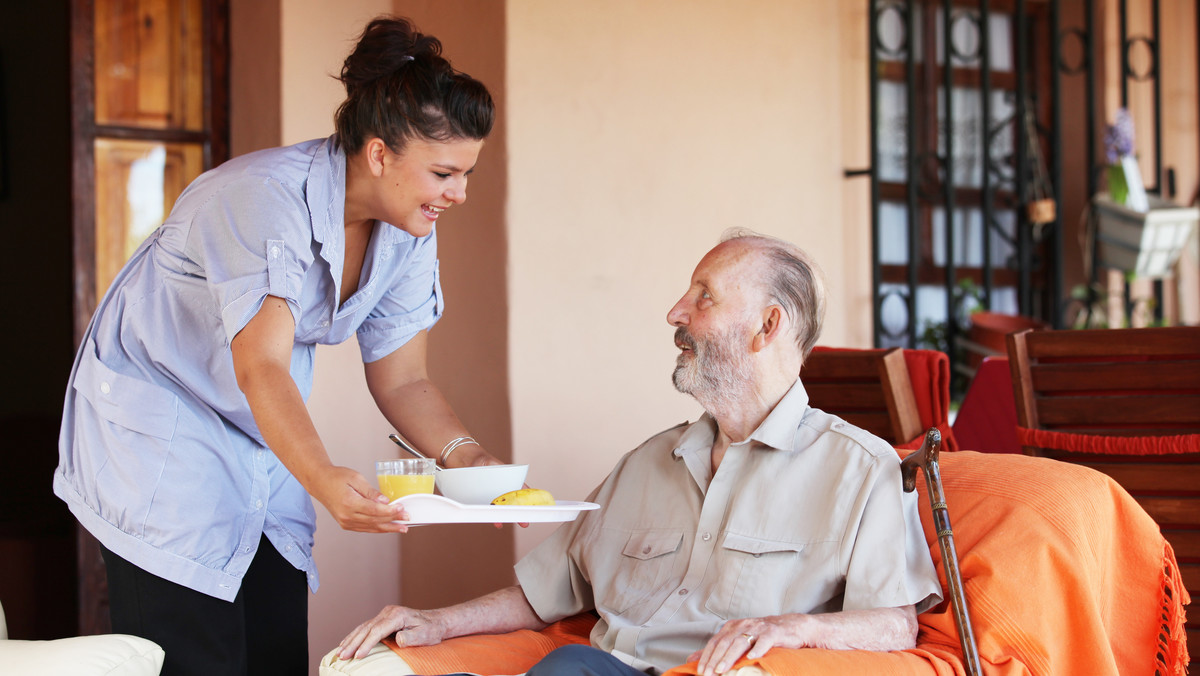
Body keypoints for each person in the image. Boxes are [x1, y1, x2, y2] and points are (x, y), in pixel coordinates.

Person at [54, 16, 507, 676]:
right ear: (380, 154)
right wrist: (323, 479)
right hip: (161, 433)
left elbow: (403, 379)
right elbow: (260, 364)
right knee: (193, 656)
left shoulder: (410, 226)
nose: (459, 193)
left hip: (258, 429)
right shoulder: (262, 201)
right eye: (445, 173)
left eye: (466, 173)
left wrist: (468, 461)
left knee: (273, 648)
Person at [336, 230, 943, 676]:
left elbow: (895, 622)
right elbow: (546, 590)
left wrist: (793, 631)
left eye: (703, 297)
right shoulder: (646, 463)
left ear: (767, 327)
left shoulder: (861, 470)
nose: (675, 313)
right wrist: (437, 622)